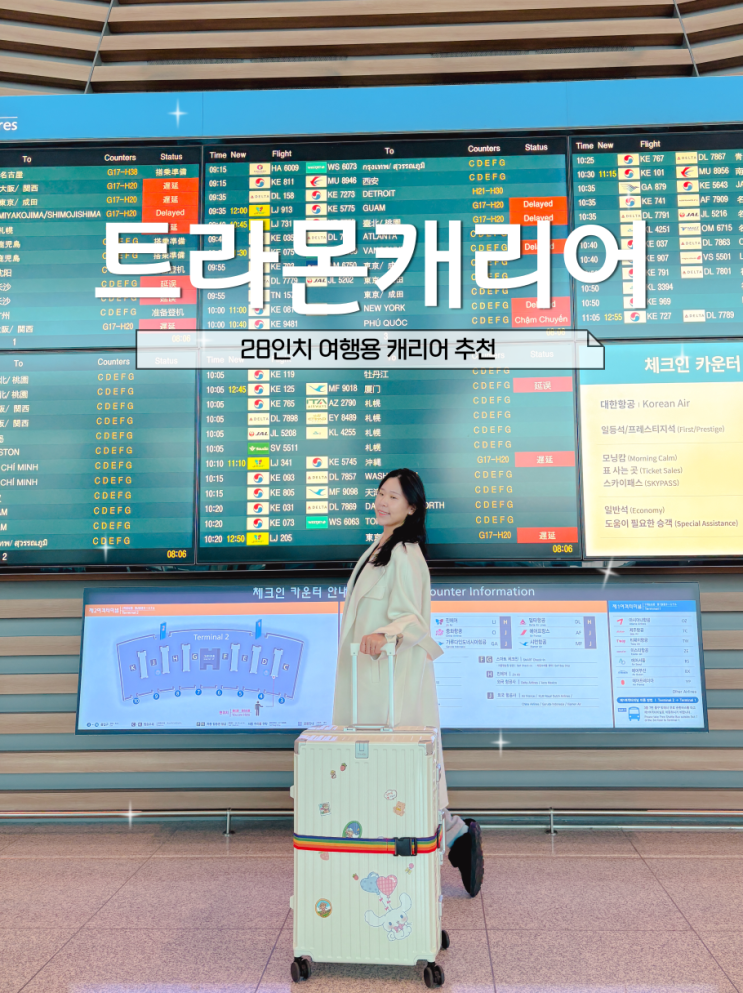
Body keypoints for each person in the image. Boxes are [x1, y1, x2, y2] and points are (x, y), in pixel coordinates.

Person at [332, 468, 484, 897]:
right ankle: (448, 835)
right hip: (368, 675)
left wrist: (385, 633)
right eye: (380, 493)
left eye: (393, 497)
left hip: (391, 679)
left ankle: (449, 836)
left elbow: (411, 617)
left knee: (400, 766)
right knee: (384, 767)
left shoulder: (405, 552)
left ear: (413, 507)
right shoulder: (379, 547)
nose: (382, 502)